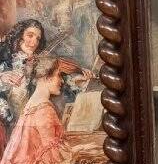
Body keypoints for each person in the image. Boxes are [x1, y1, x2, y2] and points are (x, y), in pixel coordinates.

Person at [0, 17, 92, 151]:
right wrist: (1, 77)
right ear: (19, 37)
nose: (34, 43)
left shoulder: (38, 64)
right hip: (6, 123)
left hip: (29, 125)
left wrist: (78, 80)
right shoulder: (4, 60)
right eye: (30, 36)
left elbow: (56, 82)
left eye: (37, 38)